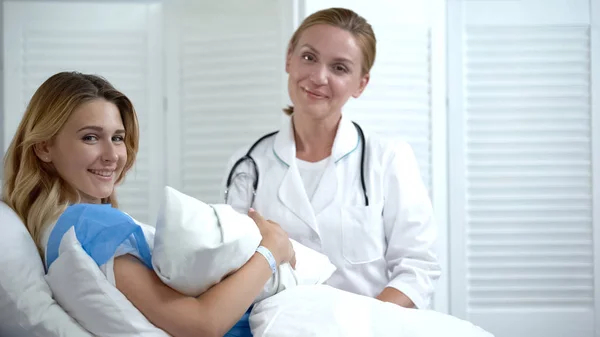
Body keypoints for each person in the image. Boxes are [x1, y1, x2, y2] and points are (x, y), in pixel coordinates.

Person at [2, 71, 295, 337]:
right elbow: (201, 325)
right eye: (90, 137)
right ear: (43, 147)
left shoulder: (66, 227)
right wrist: (271, 249)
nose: (112, 155)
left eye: (117, 138)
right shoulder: (89, 225)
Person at [223, 7, 441, 309]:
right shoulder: (248, 165)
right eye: (309, 57)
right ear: (289, 57)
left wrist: (361, 327)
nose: (318, 77)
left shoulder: (389, 159)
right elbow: (230, 265)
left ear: (361, 84)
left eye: (339, 68)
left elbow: (418, 269)